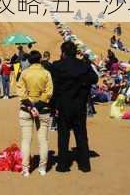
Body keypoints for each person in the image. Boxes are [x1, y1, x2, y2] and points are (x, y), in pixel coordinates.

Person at [49, 41, 98, 172]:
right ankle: (85, 165)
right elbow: (94, 79)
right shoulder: (84, 66)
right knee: (81, 135)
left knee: (63, 136)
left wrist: (52, 107)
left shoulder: (57, 66)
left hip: (63, 106)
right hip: (79, 106)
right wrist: (82, 83)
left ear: (63, 52)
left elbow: (53, 87)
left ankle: (63, 165)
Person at [16, 50, 53, 177]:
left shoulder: (24, 73)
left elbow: (20, 91)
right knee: (43, 140)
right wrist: (37, 106)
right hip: (43, 110)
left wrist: (31, 106)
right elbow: (49, 92)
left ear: (29, 60)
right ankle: (42, 167)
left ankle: (25, 169)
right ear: (40, 59)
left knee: (26, 140)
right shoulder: (46, 73)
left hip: (26, 109)